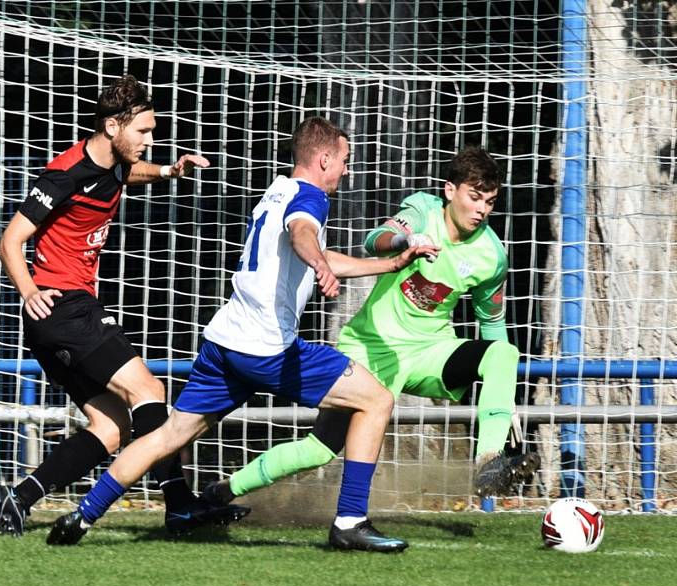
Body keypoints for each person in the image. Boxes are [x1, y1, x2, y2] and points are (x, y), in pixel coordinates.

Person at [46, 117, 438, 552]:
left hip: (225, 342)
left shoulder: (279, 189)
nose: (346, 169)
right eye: (344, 160)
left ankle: (83, 516)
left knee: (170, 434)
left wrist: (389, 264)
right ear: (324, 158)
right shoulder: (310, 198)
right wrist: (320, 266)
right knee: (376, 399)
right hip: (267, 349)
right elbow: (303, 234)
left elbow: (312, 247)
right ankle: (349, 522)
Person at [203, 146, 540, 512]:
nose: (481, 210)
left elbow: (491, 322)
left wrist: (505, 402)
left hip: (430, 352)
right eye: (474, 198)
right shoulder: (422, 210)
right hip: (370, 348)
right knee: (318, 449)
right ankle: (222, 491)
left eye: (489, 202)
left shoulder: (492, 256)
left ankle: (488, 462)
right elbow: (375, 239)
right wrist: (404, 242)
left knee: (503, 353)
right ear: (449, 190)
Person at [0, 74, 249, 536]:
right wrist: (30, 290)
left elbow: (127, 173)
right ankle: (179, 505)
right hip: (65, 308)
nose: (150, 140)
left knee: (111, 427)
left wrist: (169, 171)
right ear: (113, 126)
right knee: (149, 393)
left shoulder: (113, 164)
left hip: (62, 318)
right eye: (144, 131)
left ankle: (20, 496)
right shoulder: (64, 174)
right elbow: (10, 240)